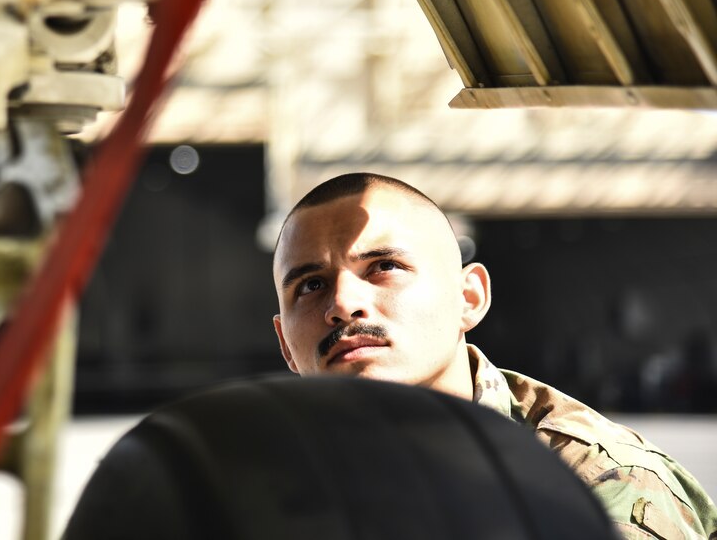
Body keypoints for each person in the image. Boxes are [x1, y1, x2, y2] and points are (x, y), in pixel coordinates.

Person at [271, 172, 717, 540]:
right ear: (285, 344)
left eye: (384, 267)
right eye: (310, 285)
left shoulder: (591, 482)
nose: (342, 304)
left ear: (469, 298)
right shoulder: (258, 482)